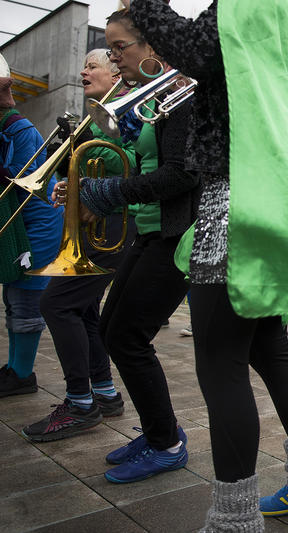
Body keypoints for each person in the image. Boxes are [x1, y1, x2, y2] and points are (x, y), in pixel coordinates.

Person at [125, 0, 288, 528]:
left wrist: (147, 7)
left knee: (220, 365)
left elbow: (199, 49)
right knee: (269, 348)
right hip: (271, 194)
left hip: (234, 200)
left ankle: (233, 520)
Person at [54, 8, 201, 484]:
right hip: (149, 228)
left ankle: (166, 443)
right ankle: (160, 428)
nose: (114, 59)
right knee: (114, 331)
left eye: (119, 47)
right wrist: (89, 187)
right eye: (110, 49)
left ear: (152, 45)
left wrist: (111, 192)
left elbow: (180, 174)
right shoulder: (154, 96)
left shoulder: (181, 95)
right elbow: (143, 165)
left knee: (127, 338)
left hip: (176, 235)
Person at [22, 49, 138, 441]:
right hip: (98, 225)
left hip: (117, 226)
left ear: (115, 74)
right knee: (83, 308)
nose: (84, 71)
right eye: (85, 65)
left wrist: (86, 173)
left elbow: (131, 165)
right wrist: (67, 183)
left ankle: (79, 403)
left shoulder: (125, 111)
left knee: (55, 303)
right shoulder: (94, 116)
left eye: (93, 65)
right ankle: (103, 393)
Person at [0, 53, 64, 398]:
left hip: (35, 226)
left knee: (25, 301)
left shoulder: (18, 129)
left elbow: (22, 180)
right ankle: (14, 368)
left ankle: (23, 374)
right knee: (12, 298)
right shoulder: (6, 126)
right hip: (21, 225)